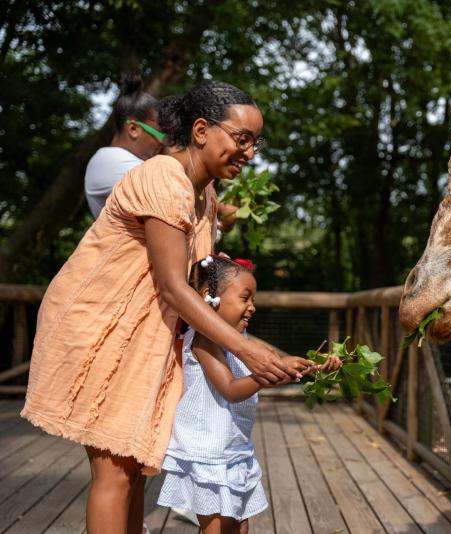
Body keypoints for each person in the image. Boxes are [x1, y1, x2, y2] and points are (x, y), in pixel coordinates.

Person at [21, 80, 307, 534]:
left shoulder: (206, 195)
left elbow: (206, 289)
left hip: (150, 332)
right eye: (242, 138)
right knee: (115, 470)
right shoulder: (162, 177)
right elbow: (175, 288)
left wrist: (266, 352)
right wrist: (249, 353)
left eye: (256, 141)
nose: (250, 152)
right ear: (200, 130)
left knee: (136, 463)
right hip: (100, 327)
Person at [158, 255, 340, 533]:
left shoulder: (242, 340)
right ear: (210, 296)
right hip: (208, 451)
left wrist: (318, 367)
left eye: (253, 299)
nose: (252, 307)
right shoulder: (205, 339)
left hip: (233, 448)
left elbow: (274, 370)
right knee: (217, 528)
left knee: (238, 527)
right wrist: (262, 377)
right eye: (245, 298)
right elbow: (230, 390)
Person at [84, 73, 164, 218]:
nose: (163, 142)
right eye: (160, 134)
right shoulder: (108, 160)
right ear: (133, 129)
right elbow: (172, 189)